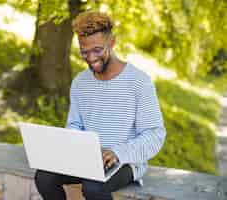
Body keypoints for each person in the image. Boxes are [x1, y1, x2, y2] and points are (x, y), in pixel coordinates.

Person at [34, 11, 166, 200]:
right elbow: (75, 125)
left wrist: (118, 152)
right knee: (44, 178)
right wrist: (69, 145)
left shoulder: (139, 82)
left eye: (97, 50)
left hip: (125, 161)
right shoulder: (80, 82)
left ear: (112, 42)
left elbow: (155, 134)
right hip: (86, 157)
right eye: (84, 52)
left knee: (93, 187)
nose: (91, 58)